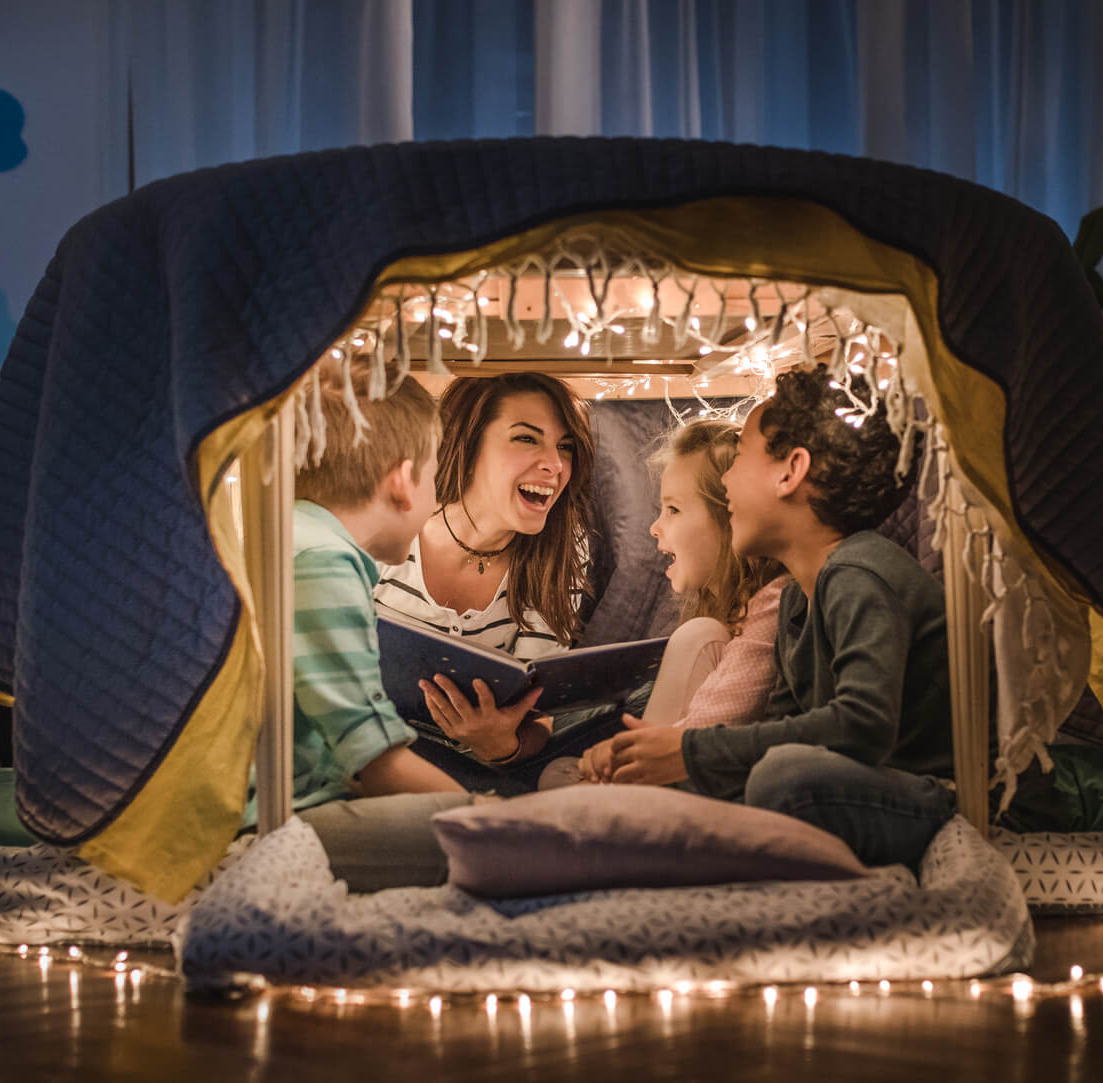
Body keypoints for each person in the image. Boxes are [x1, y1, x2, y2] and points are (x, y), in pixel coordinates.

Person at [599, 367, 955, 868]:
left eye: (739, 456)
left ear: (790, 472)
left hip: (936, 794)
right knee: (765, 774)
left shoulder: (860, 572)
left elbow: (862, 725)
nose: (725, 481)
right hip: (853, 790)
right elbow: (783, 726)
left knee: (784, 777)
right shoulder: (795, 602)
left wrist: (692, 750)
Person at [261, 363, 472, 890]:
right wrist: (483, 813)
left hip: (272, 805)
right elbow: (372, 760)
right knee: (486, 835)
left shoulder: (287, 530)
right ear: (403, 481)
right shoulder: (323, 559)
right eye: (435, 472)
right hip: (265, 824)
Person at [372, 371, 597, 789]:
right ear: (468, 442)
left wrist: (500, 746)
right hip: (372, 754)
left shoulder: (564, 549)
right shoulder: (391, 521)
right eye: (527, 438)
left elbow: (536, 720)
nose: (555, 464)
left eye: (565, 446)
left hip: (482, 771)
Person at [547, 419, 784, 787]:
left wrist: (625, 759)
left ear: (730, 517)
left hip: (692, 782)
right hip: (685, 774)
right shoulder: (726, 618)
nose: (655, 527)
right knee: (557, 772)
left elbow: (693, 739)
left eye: (673, 510)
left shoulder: (769, 607)